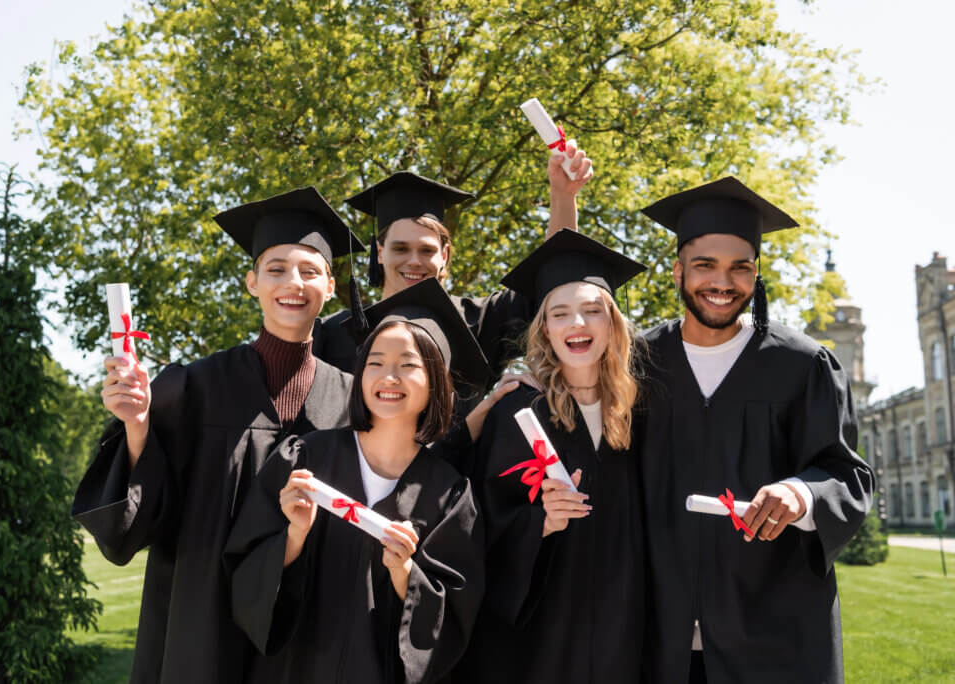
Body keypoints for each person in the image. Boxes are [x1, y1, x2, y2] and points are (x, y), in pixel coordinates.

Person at [72, 187, 364, 684]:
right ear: (252, 282)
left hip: (307, 624)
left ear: (331, 285)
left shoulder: (353, 399)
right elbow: (139, 516)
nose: (293, 283)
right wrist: (138, 425)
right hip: (203, 621)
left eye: (310, 270)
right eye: (275, 269)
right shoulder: (194, 386)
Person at [636, 177, 874, 683]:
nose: (722, 282)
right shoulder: (638, 362)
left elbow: (847, 476)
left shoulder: (801, 364)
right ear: (678, 271)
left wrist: (800, 494)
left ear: (756, 274)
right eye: (705, 265)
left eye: (739, 268)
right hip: (656, 631)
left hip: (769, 634)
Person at [224, 278, 489, 683]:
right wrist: (293, 537)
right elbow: (244, 571)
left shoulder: (449, 494)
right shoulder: (306, 458)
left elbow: (456, 615)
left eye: (408, 364)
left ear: (436, 380)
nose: (389, 376)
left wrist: (406, 574)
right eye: (376, 362)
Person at [455, 229, 649, 683]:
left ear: (613, 323)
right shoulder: (519, 411)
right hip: (540, 631)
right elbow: (478, 514)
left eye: (592, 311)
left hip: (624, 620)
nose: (577, 324)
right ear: (544, 328)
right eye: (560, 314)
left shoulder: (642, 410)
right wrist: (537, 522)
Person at [313, 146, 594, 447]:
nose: (413, 261)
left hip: (451, 488)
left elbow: (548, 286)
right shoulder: (334, 332)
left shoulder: (477, 322)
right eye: (400, 249)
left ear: (445, 256)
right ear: (380, 252)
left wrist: (563, 196)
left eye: (427, 250)